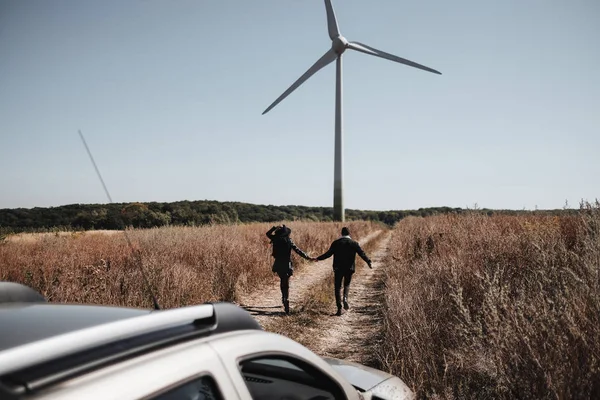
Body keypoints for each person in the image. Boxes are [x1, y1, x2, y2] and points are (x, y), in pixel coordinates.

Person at [316, 227, 372, 316]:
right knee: (346, 284)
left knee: (337, 287)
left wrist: (317, 258)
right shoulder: (354, 243)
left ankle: (339, 308)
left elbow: (328, 254)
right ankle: (345, 298)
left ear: (341, 234)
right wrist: (368, 261)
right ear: (349, 234)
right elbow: (362, 253)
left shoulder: (336, 243)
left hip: (338, 268)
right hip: (349, 268)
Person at [266, 224, 312, 314]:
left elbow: (267, 233)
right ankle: (286, 299)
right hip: (287, 264)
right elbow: (298, 250)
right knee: (286, 282)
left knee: (282, 280)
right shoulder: (288, 240)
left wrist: (274, 227)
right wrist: (308, 257)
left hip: (278, 263)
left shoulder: (275, 239)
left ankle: (284, 297)